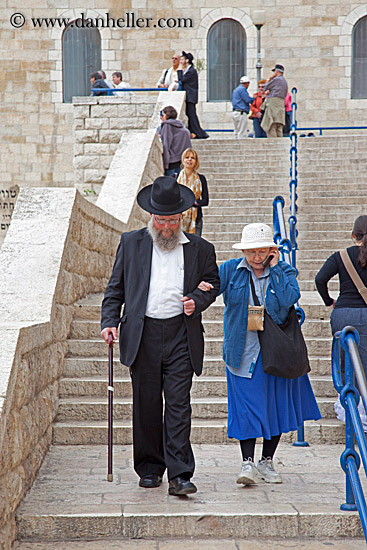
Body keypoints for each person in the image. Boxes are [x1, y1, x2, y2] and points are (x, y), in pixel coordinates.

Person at [100, 176, 220, 496]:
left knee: (179, 405)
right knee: (147, 405)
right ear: (150, 216)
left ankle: (180, 473)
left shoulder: (201, 249)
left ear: (181, 217)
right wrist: (109, 321)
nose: (166, 227)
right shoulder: (131, 243)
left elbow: (212, 283)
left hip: (181, 333)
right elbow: (115, 289)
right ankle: (151, 467)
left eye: (172, 220)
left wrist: (198, 299)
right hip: (144, 333)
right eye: (161, 220)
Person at [217, 223, 321, 485]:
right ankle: (247, 463)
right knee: (246, 410)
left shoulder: (284, 270)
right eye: (251, 252)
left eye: (261, 252)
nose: (256, 258)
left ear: (271, 251)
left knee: (275, 408)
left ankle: (267, 461)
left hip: (276, 352)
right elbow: (207, 287)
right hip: (242, 351)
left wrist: (275, 268)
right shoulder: (231, 270)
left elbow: (288, 298)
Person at [315, 215, 367, 377]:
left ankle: (349, 397)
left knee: (345, 358)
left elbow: (320, 279)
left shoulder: (340, 256)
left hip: (343, 313)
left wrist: (329, 301)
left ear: (353, 235)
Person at [177, 51, 209, 140]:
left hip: (190, 97)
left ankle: (199, 133)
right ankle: (194, 132)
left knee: (192, 115)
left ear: (187, 61)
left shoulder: (191, 71)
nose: (180, 61)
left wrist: (179, 70)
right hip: (189, 97)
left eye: (182, 59)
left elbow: (182, 79)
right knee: (190, 115)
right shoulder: (189, 70)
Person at [178, 148, 208, 237]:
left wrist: (192, 203)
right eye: (187, 157)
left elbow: (206, 200)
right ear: (183, 160)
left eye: (192, 158)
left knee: (195, 246)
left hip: (196, 218)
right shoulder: (175, 178)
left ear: (196, 161)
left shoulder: (201, 178)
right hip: (178, 218)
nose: (190, 160)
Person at [160, 106, 192, 177]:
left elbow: (166, 145)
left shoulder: (167, 126)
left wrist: (165, 164)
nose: (161, 117)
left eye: (162, 115)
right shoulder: (182, 128)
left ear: (166, 115)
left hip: (171, 162)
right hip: (182, 162)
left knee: (169, 186)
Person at [261, 64, 288, 138]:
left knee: (271, 125)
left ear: (276, 71)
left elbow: (265, 87)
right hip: (280, 105)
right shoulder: (284, 81)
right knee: (279, 127)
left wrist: (269, 79)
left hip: (273, 103)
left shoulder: (276, 80)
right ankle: (280, 144)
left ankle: (273, 144)